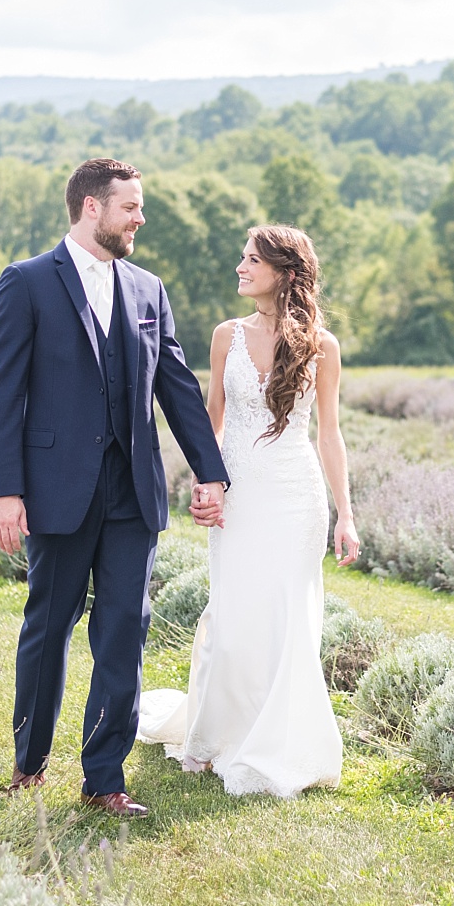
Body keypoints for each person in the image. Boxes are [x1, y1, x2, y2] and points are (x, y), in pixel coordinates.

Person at [0, 157, 231, 819]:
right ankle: (29, 764)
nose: (140, 218)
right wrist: (3, 490)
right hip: (56, 489)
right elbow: (1, 393)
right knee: (48, 627)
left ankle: (103, 778)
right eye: (131, 207)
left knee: (123, 632)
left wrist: (210, 471)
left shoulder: (149, 289)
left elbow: (176, 386)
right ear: (92, 207)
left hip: (132, 494)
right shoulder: (27, 282)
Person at [136, 224, 362, 797]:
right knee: (234, 618)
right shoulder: (226, 336)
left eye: (252, 260)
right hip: (239, 497)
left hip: (295, 497)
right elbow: (210, 420)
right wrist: (204, 483)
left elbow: (329, 435)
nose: (240, 267)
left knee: (288, 622)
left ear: (285, 273)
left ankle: (279, 747)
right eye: (242, 258)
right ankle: (218, 735)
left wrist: (346, 514)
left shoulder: (323, 346)